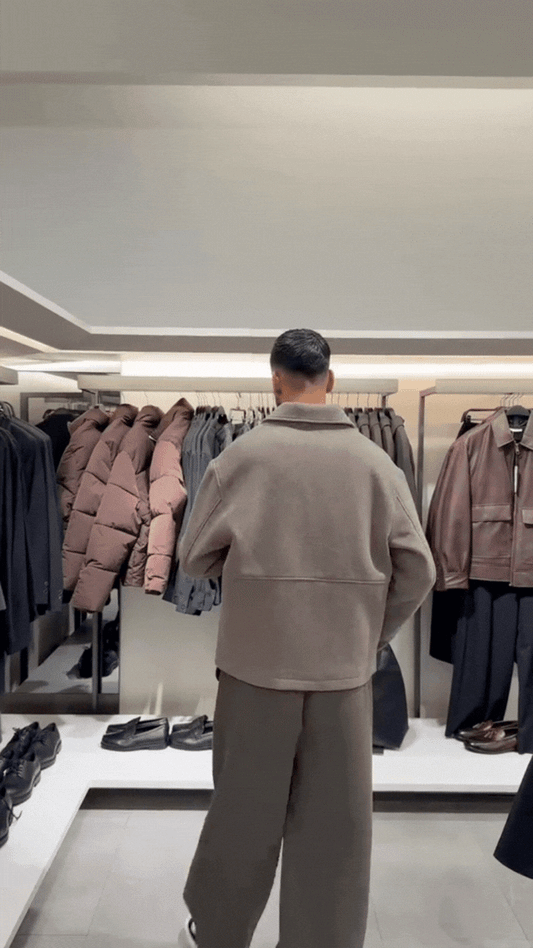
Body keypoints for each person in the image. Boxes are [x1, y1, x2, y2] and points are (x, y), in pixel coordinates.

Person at [176, 328, 436, 948]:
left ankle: (217, 931)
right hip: (342, 677)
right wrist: (371, 634)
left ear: (274, 380)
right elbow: (419, 570)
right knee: (335, 829)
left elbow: (193, 556)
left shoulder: (239, 460)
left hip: (254, 671)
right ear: (331, 381)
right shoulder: (376, 465)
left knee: (242, 813)